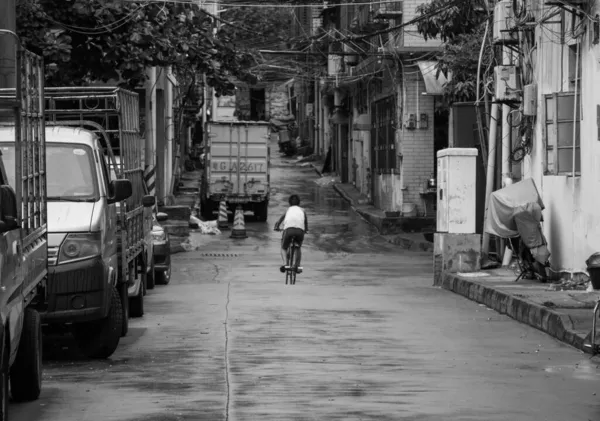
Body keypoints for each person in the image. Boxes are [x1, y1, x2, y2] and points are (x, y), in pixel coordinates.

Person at [274, 194, 308, 273]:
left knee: (283, 247)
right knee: (298, 247)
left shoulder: (288, 210)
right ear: (299, 202)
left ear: (289, 202)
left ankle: (285, 264)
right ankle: (297, 265)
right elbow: (305, 222)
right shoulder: (303, 210)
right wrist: (306, 229)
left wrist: (277, 227)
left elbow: (280, 220)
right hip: (300, 231)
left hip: (289, 230)